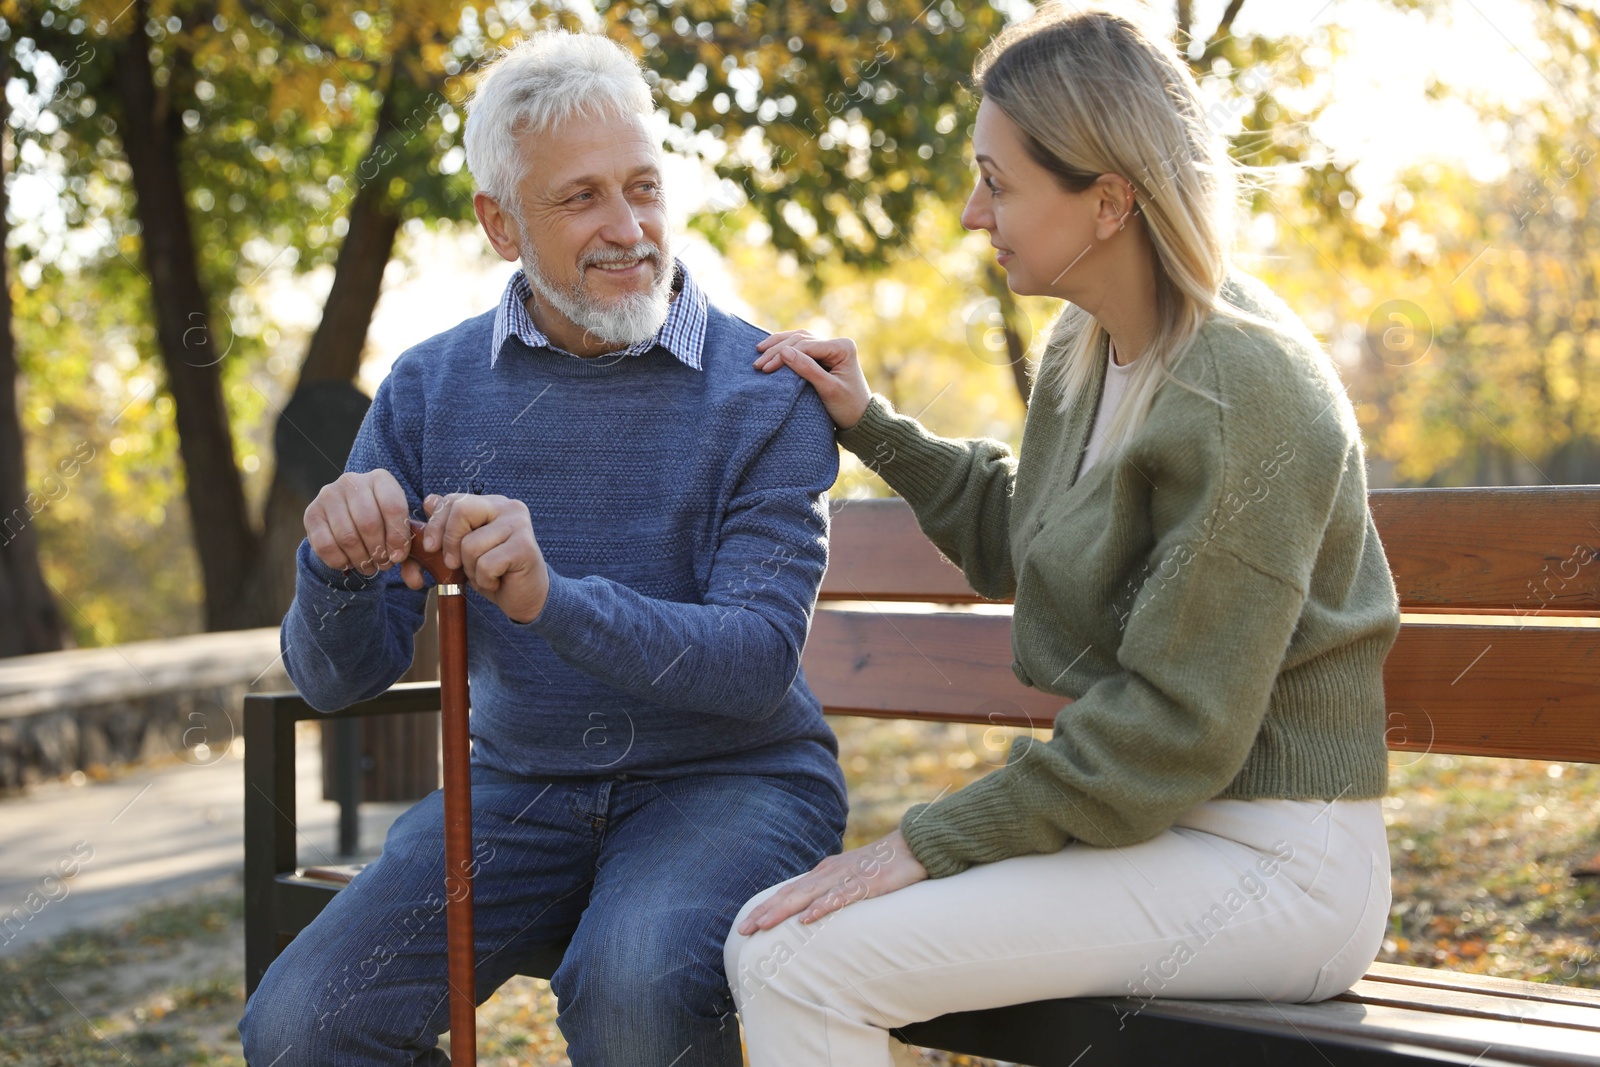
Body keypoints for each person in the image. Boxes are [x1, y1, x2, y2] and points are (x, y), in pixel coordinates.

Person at [727, 6, 1401, 1064]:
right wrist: (873, 426)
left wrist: (927, 840)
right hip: (1157, 827)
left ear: (1108, 200)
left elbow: (1174, 726)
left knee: (792, 958)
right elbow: (1026, 536)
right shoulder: (1089, 349)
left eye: (997, 181)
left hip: (1279, 861)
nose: (967, 211)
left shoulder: (1242, 386)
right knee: (777, 936)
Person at [238, 29, 847, 1067]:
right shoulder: (430, 388)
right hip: (517, 790)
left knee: (632, 986)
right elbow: (338, 679)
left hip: (732, 782)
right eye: (581, 199)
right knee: (302, 1026)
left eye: (644, 187)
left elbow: (751, 668)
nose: (629, 229)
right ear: (499, 223)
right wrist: (335, 570)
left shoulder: (764, 391)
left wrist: (551, 597)